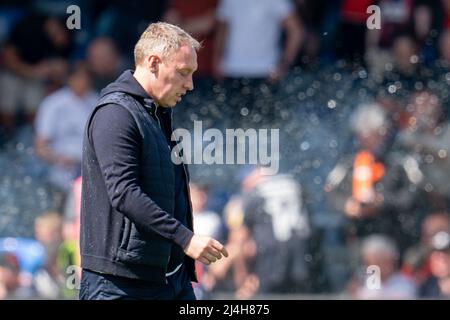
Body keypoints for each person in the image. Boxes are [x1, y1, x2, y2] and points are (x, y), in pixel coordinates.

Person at [79, 22, 228, 300]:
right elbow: (124, 193)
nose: (190, 84)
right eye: (183, 73)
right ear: (154, 63)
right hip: (119, 285)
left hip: (171, 279)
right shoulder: (115, 113)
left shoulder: (156, 113)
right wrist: (186, 239)